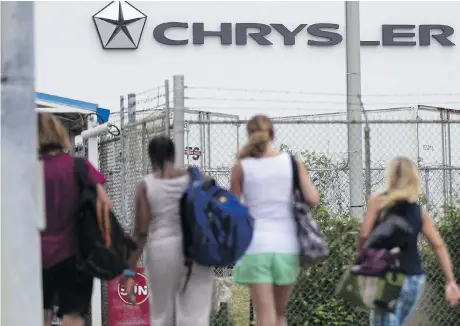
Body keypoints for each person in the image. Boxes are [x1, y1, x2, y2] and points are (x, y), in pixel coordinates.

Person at [230, 115, 320, 326]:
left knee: (265, 316)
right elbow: (313, 199)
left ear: (249, 135)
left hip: (256, 246)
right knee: (279, 315)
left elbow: (232, 210)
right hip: (286, 246)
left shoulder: (241, 167)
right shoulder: (292, 163)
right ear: (273, 134)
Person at [358, 156, 460, 326]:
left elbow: (364, 234)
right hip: (413, 279)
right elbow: (438, 245)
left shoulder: (378, 201)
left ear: (390, 176)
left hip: (386, 275)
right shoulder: (418, 211)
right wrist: (450, 281)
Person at [124, 136, 214, 326]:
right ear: (174, 154)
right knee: (195, 317)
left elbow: (140, 233)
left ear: (151, 158)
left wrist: (130, 271)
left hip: (161, 252)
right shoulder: (197, 178)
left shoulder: (146, 185)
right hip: (195, 249)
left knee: (161, 315)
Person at [38, 112, 110, 326]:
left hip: (36, 255)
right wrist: (104, 238)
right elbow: (104, 204)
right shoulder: (79, 166)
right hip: (75, 253)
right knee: (73, 316)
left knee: (40, 312)